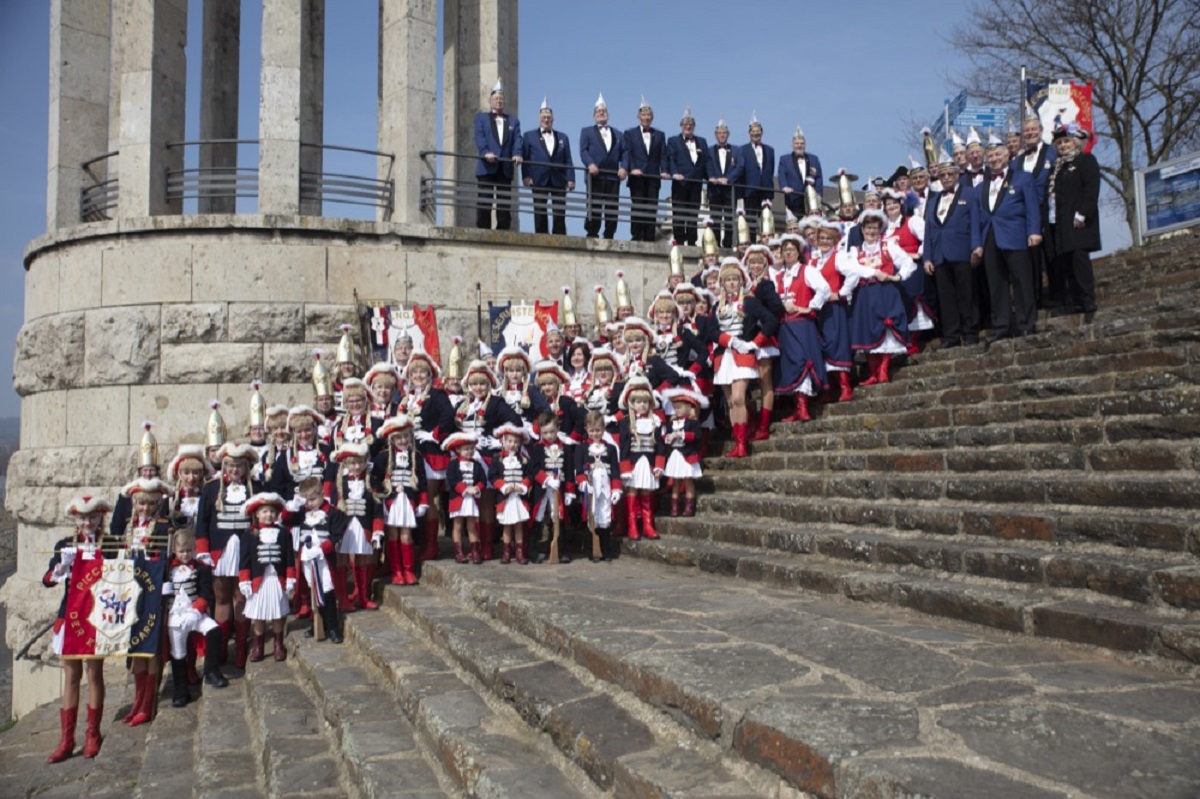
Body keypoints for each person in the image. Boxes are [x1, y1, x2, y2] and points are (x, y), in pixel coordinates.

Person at [43, 496, 112, 763]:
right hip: (70, 616)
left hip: (97, 617)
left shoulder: (109, 545)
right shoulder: (64, 545)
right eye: (82, 518)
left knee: (94, 673)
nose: (87, 522)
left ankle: (92, 735)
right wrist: (63, 565)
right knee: (71, 676)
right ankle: (66, 739)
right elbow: (48, 580)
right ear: (75, 520)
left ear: (100, 519)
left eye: (92, 518)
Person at [195, 441, 260, 670]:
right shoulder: (211, 489)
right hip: (219, 552)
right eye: (230, 466)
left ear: (246, 467)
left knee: (240, 597)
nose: (234, 470)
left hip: (245, 551)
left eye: (239, 466)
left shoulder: (256, 488)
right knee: (221, 598)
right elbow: (202, 522)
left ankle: (241, 646)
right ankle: (221, 646)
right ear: (224, 466)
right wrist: (202, 550)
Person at [971, 137, 1042, 341]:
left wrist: (1034, 231)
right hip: (989, 238)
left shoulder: (1023, 178)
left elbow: (1032, 207)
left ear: (1006, 156)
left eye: (998, 155)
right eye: (990, 156)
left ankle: (1026, 323)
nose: (994, 159)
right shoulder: (979, 189)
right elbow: (976, 219)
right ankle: (1001, 326)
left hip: (1015, 235)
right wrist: (976, 244)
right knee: (996, 284)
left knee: (1021, 281)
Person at [398, 351, 455, 563]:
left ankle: (432, 545)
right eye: (415, 372)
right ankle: (424, 541)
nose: (419, 375)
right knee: (420, 497)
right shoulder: (406, 399)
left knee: (429, 498)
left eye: (423, 371)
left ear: (430, 374)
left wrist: (432, 434)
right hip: (412, 453)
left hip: (431, 453)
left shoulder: (438, 395)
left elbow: (449, 418)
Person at [163, 529, 229, 710]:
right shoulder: (166, 568)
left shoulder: (202, 568)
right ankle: (180, 690)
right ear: (175, 550)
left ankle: (211, 670)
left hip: (195, 612)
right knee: (178, 653)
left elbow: (207, 593)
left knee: (214, 630)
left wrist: (196, 610)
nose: (185, 555)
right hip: (175, 616)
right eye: (181, 551)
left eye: (189, 551)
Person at [847, 210, 914, 385]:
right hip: (865, 296)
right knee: (867, 331)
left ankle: (883, 370)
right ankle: (873, 373)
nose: (871, 232)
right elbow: (853, 270)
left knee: (887, 331)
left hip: (886, 293)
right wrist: (874, 272)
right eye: (868, 228)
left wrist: (897, 277)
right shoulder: (855, 251)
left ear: (880, 229)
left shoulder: (888, 246)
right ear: (862, 229)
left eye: (875, 228)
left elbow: (908, 263)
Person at [280, 476, 345, 642]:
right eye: (306, 500)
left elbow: (337, 535)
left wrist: (321, 549)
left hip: (324, 559)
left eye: (313, 499)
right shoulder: (302, 513)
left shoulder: (333, 513)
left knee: (327, 591)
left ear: (322, 493)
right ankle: (318, 623)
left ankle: (332, 627)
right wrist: (292, 506)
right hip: (307, 559)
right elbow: (285, 520)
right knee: (313, 591)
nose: (310, 503)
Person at [774, 234, 830, 423]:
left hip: (803, 324)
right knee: (791, 364)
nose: (788, 253)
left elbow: (824, 289)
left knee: (803, 362)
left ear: (799, 252)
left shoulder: (808, 271)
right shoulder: (779, 277)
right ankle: (798, 408)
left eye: (791, 249)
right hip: (785, 327)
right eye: (785, 250)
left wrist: (809, 307)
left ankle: (803, 407)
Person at [924, 161, 979, 349]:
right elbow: (928, 230)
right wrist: (927, 257)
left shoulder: (970, 194)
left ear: (957, 175)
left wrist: (976, 246)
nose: (946, 177)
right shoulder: (932, 201)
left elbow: (975, 222)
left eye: (950, 174)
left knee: (966, 294)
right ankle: (951, 335)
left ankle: (970, 331)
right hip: (940, 255)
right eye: (942, 175)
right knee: (945, 298)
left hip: (962, 251)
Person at [1047, 123, 1100, 318]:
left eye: (1066, 141)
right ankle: (1077, 300)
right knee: (1067, 261)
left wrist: (1083, 212)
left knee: (1079, 259)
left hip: (1078, 220)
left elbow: (1091, 188)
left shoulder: (1085, 160)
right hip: (1062, 223)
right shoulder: (1058, 167)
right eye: (1059, 143)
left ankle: (1087, 299)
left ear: (1075, 142)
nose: (1063, 146)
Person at [238, 493, 296, 663]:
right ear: (256, 514)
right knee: (259, 615)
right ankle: (258, 646)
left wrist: (291, 578)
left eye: (272, 511)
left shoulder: (285, 533)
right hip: (258, 582)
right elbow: (244, 561)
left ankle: (278, 644)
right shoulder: (249, 535)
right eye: (264, 511)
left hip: (277, 580)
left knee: (277, 613)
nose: (268, 515)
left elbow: (289, 558)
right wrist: (244, 581)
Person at [371, 415, 427, 582]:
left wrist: (423, 501)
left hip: (408, 501)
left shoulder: (416, 456)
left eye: (406, 437)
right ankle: (396, 571)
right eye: (399, 438)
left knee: (406, 535)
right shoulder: (383, 457)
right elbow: (374, 478)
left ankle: (409, 570)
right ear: (392, 439)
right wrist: (385, 489)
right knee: (392, 535)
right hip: (391, 501)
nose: (403, 441)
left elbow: (422, 480)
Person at [809, 222, 859, 401]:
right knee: (823, 345)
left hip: (834, 307)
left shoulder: (838, 257)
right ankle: (829, 389)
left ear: (834, 241)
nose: (824, 241)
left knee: (837, 343)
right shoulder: (813, 261)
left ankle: (845, 387)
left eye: (828, 238)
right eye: (821, 238)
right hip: (819, 310)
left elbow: (854, 275)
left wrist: (840, 293)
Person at [1012, 112, 1058, 307]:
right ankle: (1036, 299)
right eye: (1026, 131)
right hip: (1025, 215)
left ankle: (1058, 295)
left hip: (1048, 210)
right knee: (1032, 259)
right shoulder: (1016, 162)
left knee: (1052, 254)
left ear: (1040, 131)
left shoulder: (1052, 152)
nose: (1030, 133)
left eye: (1033, 129)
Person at [616, 376, 662, 539]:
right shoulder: (626, 422)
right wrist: (625, 468)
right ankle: (632, 526)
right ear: (632, 404)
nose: (642, 405)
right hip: (633, 464)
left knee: (647, 492)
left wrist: (659, 465)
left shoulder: (656, 422)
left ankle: (648, 525)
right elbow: (624, 447)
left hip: (648, 463)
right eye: (638, 402)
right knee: (633, 491)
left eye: (645, 402)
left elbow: (660, 447)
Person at [573, 411, 623, 561]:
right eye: (592, 430)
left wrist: (616, 489)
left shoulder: (611, 449)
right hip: (590, 488)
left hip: (606, 488)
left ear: (603, 429)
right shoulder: (581, 449)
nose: (595, 433)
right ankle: (592, 550)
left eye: (598, 430)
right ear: (587, 429)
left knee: (605, 517)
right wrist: (582, 483)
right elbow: (578, 470)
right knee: (592, 516)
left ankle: (607, 549)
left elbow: (615, 471)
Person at [522, 97, 575, 235]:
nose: (546, 120)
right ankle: (541, 236)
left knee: (559, 211)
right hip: (538, 178)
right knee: (540, 210)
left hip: (558, 178)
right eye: (544, 117)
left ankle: (559, 237)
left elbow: (568, 159)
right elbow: (526, 158)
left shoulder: (563, 137)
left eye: (549, 117)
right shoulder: (529, 136)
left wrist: (571, 178)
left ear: (553, 119)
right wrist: (526, 176)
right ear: (539, 118)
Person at [474, 78, 522, 231]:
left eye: (501, 99)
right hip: (487, 166)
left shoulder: (513, 121)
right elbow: (479, 137)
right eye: (496, 99)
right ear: (490, 101)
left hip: (505, 166)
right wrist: (485, 152)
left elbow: (517, 139)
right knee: (484, 201)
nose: (499, 101)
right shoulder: (481, 118)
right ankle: (483, 230)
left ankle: (503, 231)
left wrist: (517, 153)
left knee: (504, 203)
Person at [579, 93, 627, 239]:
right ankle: (592, 232)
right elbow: (583, 150)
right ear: (594, 115)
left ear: (608, 115)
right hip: (595, 175)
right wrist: (590, 164)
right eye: (598, 112)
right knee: (594, 206)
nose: (601, 113)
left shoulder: (618, 134)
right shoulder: (586, 131)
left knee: (612, 207)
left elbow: (625, 151)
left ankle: (609, 233)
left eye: (603, 111)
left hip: (613, 176)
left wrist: (624, 167)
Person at [527, 411, 572, 563]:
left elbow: (569, 470)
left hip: (560, 488)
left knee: (559, 517)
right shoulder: (537, 448)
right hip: (542, 488)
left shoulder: (565, 448)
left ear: (558, 428)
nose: (549, 435)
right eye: (545, 432)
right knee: (537, 516)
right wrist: (545, 479)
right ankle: (532, 550)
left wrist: (570, 492)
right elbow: (533, 469)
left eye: (552, 431)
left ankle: (561, 549)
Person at [489, 423, 533, 563]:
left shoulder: (524, 459)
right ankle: (506, 552)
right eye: (509, 441)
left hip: (519, 497)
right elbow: (493, 476)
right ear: (503, 441)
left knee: (519, 525)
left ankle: (519, 553)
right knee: (507, 526)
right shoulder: (497, 459)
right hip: (505, 498)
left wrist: (523, 486)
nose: (512, 444)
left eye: (515, 442)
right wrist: (503, 487)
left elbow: (529, 475)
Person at [665, 106, 708, 245]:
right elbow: (670, 158)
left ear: (694, 126)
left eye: (690, 125)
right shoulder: (673, 141)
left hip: (696, 183)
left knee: (693, 214)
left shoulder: (702, 141)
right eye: (685, 125)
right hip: (680, 182)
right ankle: (679, 239)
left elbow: (706, 162)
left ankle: (691, 240)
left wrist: (710, 178)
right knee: (678, 213)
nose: (688, 127)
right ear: (681, 126)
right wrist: (674, 173)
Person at [660, 388, 706, 517]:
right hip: (675, 455)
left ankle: (689, 507)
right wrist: (668, 438)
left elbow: (697, 436)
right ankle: (674, 507)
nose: (677, 410)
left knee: (688, 481)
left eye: (680, 407)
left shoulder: (693, 423)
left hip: (687, 456)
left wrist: (681, 434)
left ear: (688, 407)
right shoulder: (672, 423)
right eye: (675, 408)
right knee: (675, 482)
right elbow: (665, 437)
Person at [444, 431, 487, 563]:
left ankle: (474, 552)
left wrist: (477, 488)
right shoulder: (453, 464)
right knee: (457, 525)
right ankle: (459, 552)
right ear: (458, 449)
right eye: (466, 449)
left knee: (471, 525)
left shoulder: (477, 465)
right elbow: (451, 480)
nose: (469, 452)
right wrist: (464, 489)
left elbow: (482, 480)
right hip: (458, 498)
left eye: (471, 449)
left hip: (472, 499)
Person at [737, 115, 775, 239]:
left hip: (766, 190)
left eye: (758, 131)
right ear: (749, 133)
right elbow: (741, 170)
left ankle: (766, 242)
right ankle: (752, 243)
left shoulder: (770, 150)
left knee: (766, 220)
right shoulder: (742, 149)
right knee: (751, 220)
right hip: (750, 189)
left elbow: (770, 168)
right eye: (753, 132)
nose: (755, 134)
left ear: (762, 132)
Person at [706, 117, 740, 247]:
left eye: (724, 133)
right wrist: (712, 177)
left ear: (728, 134)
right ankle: (715, 245)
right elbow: (706, 166)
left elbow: (740, 167)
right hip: (714, 190)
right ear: (716, 135)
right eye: (720, 133)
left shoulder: (736, 150)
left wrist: (728, 179)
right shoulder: (709, 150)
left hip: (729, 191)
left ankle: (728, 245)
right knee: (715, 219)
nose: (722, 135)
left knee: (729, 220)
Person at [777, 126, 824, 218]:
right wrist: (784, 187)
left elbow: (819, 177)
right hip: (793, 199)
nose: (799, 145)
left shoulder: (814, 159)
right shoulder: (785, 159)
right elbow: (781, 175)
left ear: (805, 145)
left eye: (802, 143)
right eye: (797, 143)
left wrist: (819, 193)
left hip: (811, 201)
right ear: (792, 144)